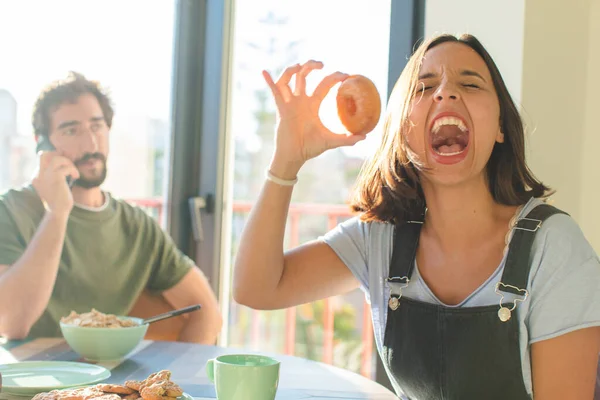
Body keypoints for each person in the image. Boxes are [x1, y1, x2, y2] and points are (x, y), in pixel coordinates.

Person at [232, 34, 600, 399]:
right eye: (423, 87)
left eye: (470, 84)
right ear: (402, 130)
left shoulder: (554, 247)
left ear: (501, 126)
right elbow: (257, 288)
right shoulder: (378, 239)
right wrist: (286, 160)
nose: (445, 93)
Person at [0, 72, 222, 344]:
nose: (91, 144)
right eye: (71, 130)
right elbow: (11, 322)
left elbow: (206, 310)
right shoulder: (11, 210)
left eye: (97, 126)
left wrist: (179, 380)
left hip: (107, 383)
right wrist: (57, 212)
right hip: (26, 381)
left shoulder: (136, 225)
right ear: (42, 144)